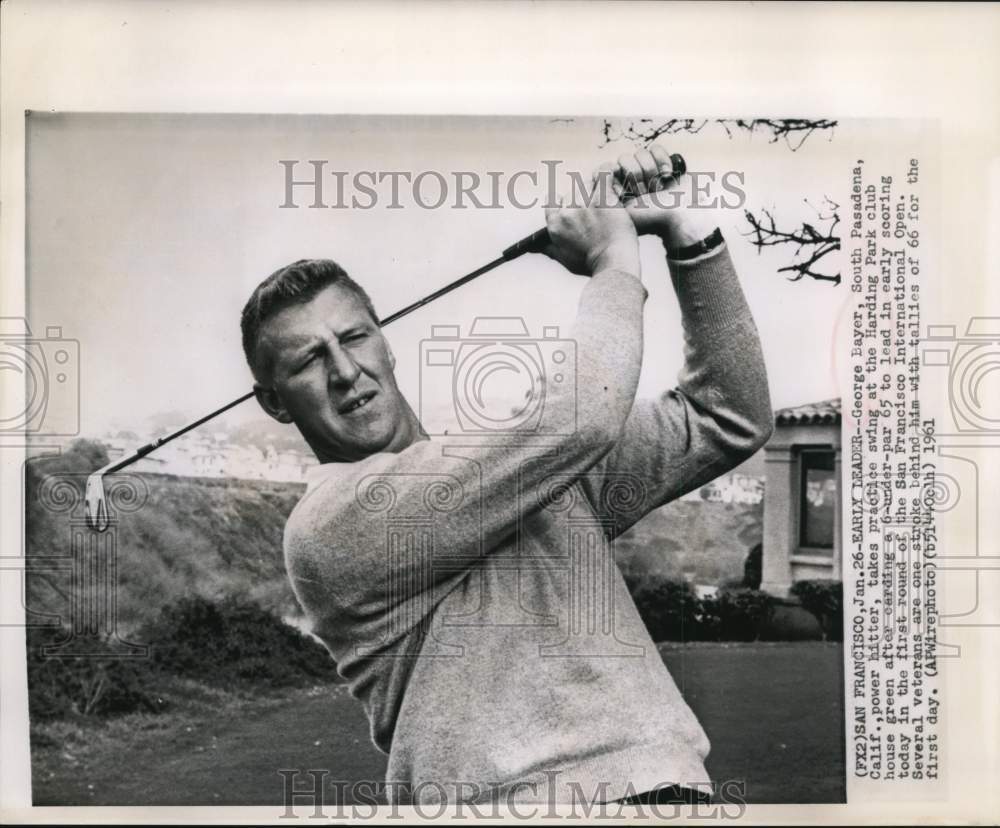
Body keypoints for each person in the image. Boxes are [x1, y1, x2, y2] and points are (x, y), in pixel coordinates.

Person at [239, 145, 773, 806]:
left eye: (353, 338)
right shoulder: (328, 526)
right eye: (307, 362)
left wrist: (686, 234)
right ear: (273, 400)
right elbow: (579, 420)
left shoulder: (534, 463)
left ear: (386, 340)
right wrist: (613, 260)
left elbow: (729, 417)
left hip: (669, 790)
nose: (344, 372)